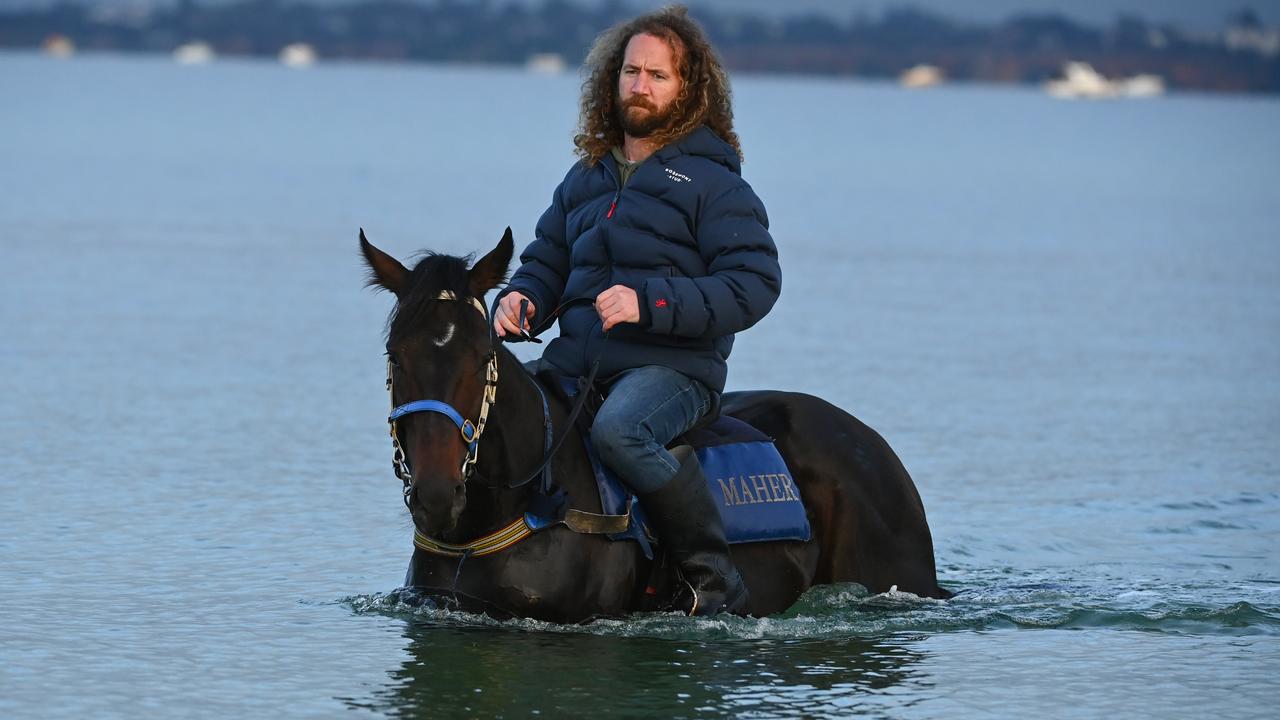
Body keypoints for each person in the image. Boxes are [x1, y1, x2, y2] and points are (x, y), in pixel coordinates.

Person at [493, 5, 780, 616]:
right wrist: (521, 300)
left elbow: (754, 284)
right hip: (577, 362)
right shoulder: (586, 177)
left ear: (689, 89)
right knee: (497, 403)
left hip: (674, 371)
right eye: (630, 72)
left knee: (620, 432)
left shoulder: (715, 185)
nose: (640, 86)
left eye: (657, 75)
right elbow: (548, 259)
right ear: (612, 80)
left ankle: (715, 579)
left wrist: (649, 304)